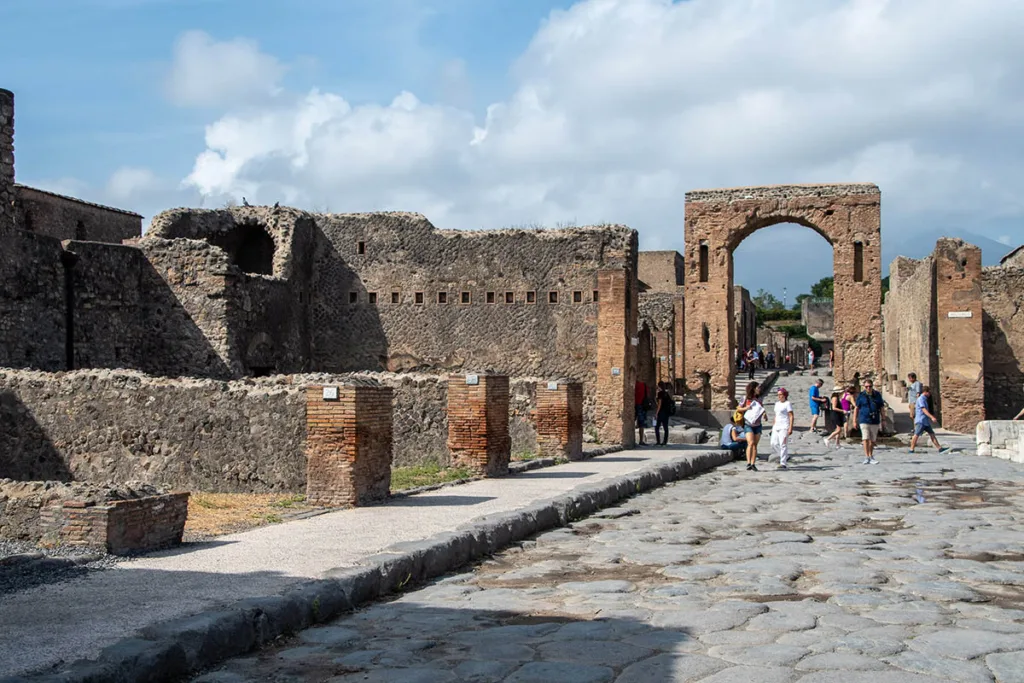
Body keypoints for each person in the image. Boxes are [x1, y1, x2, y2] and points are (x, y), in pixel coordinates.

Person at [855, 379, 886, 465]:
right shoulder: (861, 396)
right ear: (864, 387)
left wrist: (883, 419)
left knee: (872, 440)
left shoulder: (877, 395)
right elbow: (856, 408)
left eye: (870, 386)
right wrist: (855, 420)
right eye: (866, 387)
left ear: (872, 386)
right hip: (864, 419)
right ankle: (867, 456)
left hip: (874, 419)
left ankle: (871, 455)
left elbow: (882, 408)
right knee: (865, 438)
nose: (868, 388)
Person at [910, 386, 946, 453]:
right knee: (916, 435)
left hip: (925, 421)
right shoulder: (921, 399)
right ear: (925, 392)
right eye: (929, 392)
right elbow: (923, 409)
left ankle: (940, 448)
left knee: (932, 434)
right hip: (921, 420)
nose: (930, 394)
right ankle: (911, 449)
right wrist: (932, 417)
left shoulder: (924, 399)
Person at [740, 381, 765, 471]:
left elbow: (761, 409)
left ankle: (753, 463)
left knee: (755, 445)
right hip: (748, 424)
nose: (759, 389)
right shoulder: (745, 398)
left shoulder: (760, 399)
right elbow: (739, 408)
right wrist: (746, 408)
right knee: (750, 443)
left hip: (758, 424)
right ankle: (748, 463)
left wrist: (764, 414)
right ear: (753, 388)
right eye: (758, 387)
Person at [771, 387, 794, 469]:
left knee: (783, 444)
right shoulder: (777, 404)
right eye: (778, 395)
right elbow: (776, 415)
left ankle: (783, 463)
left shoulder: (787, 404)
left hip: (784, 426)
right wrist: (773, 426)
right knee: (773, 443)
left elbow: (791, 416)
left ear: (784, 395)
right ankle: (785, 456)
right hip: (776, 426)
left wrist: (790, 428)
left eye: (780, 395)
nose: (779, 396)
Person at [634, 380, 649, 446]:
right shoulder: (644, 385)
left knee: (631, 422)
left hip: (634, 405)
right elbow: (647, 394)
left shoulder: (633, 385)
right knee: (641, 424)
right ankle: (641, 440)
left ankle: (631, 439)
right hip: (642, 406)